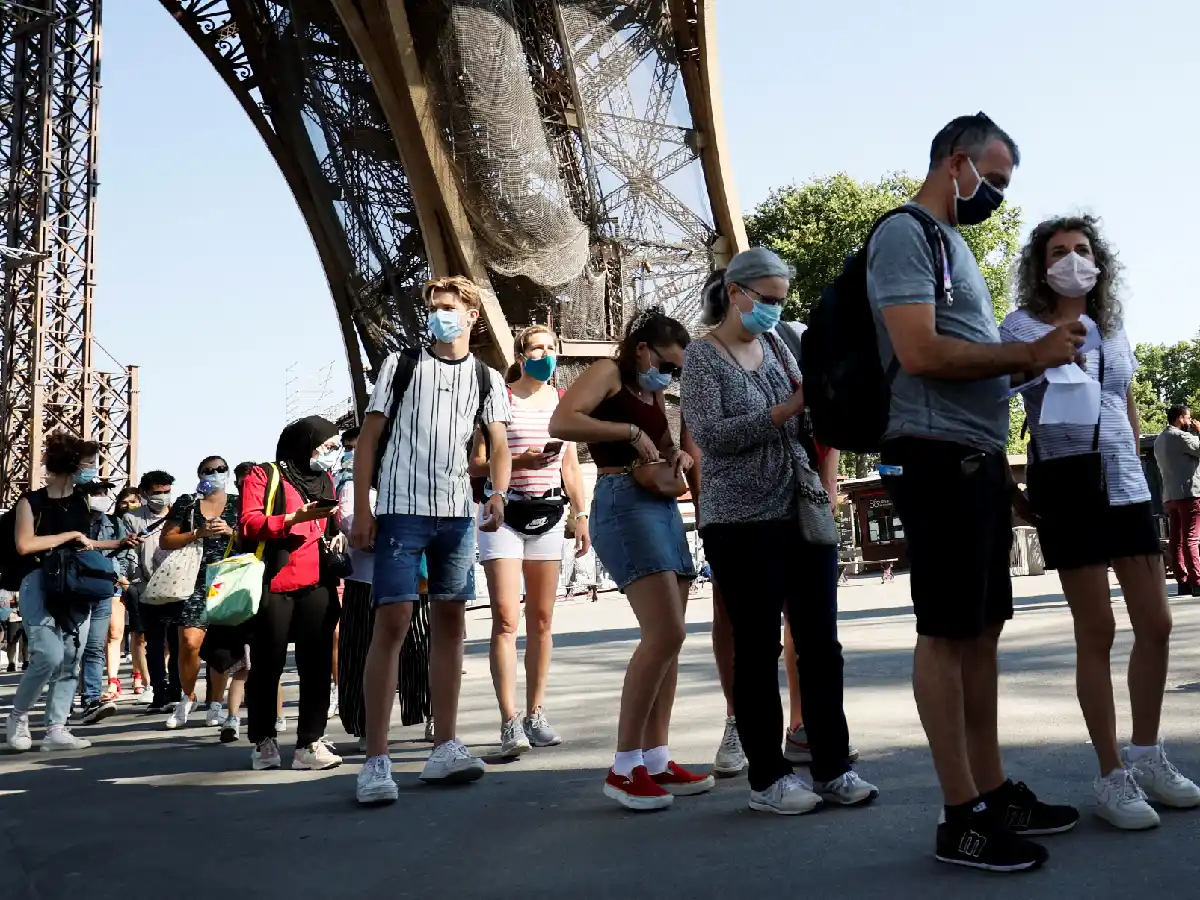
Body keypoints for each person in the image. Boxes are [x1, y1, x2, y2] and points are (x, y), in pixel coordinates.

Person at [869, 113, 1080, 871]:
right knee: (948, 631)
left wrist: (1031, 364)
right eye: (992, 179)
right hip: (934, 455)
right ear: (957, 162)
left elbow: (963, 353)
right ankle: (959, 814)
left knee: (982, 629)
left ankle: (988, 791)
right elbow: (920, 351)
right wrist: (1026, 350)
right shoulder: (907, 234)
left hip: (974, 455)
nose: (994, 194)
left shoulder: (951, 242)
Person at [1002, 216, 1200, 829]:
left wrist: (1142, 460)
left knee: (1158, 622)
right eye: (1058, 251)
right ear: (1040, 266)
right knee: (1098, 629)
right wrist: (1040, 355)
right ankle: (1111, 774)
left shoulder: (1112, 330)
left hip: (1127, 484)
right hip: (1069, 484)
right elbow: (1000, 389)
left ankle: (1147, 754)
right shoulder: (1022, 326)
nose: (1071, 259)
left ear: (1099, 262)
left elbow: (1126, 400)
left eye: (1082, 250)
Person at [682, 248, 877, 815]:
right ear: (736, 292)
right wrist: (785, 410)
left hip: (799, 510)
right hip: (739, 520)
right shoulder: (702, 356)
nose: (773, 309)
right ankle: (767, 779)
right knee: (758, 647)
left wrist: (828, 403)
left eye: (780, 301)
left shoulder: (777, 348)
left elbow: (809, 418)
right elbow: (711, 438)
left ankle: (832, 764)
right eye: (765, 299)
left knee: (820, 645)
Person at [351, 275, 512, 804]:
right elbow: (370, 439)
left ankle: (445, 743)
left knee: (451, 622)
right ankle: (376, 758)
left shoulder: (486, 377)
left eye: (449, 307)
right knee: (393, 621)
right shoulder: (401, 365)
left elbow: (499, 442)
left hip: (455, 514)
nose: (440, 315)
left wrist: (497, 492)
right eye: (435, 307)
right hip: (401, 508)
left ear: (472, 315)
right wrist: (362, 509)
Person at [549, 306, 712, 811]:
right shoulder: (609, 372)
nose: (668, 374)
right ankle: (624, 766)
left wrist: (677, 455)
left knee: (670, 641)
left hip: (659, 504)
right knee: (665, 633)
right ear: (641, 347)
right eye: (665, 362)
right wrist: (626, 434)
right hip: (623, 501)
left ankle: (656, 757)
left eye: (676, 369)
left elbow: (661, 444)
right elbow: (562, 421)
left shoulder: (652, 387)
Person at [473, 324, 590, 756]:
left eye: (551, 348)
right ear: (521, 356)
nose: (546, 354)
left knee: (542, 619)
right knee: (506, 618)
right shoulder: (499, 399)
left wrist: (581, 514)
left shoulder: (559, 401)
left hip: (548, 512)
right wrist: (520, 459)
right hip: (502, 513)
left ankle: (535, 712)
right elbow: (476, 464)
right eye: (537, 348)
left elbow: (571, 466)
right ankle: (508, 720)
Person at [4, 432, 117, 752]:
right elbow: (25, 544)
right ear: (69, 466)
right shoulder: (30, 502)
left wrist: (116, 544)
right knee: (48, 654)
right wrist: (67, 535)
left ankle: (56, 727)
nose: (92, 469)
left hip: (75, 581)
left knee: (71, 656)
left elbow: (86, 543)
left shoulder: (83, 500)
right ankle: (19, 716)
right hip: (38, 579)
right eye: (87, 464)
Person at [241, 416, 342, 771]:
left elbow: (328, 524)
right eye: (325, 445)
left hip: (317, 582)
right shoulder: (264, 475)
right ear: (304, 443)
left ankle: (309, 743)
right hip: (275, 584)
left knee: (315, 666)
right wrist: (290, 520)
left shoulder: (325, 478)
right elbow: (250, 523)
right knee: (268, 665)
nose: (331, 451)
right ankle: (263, 740)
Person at [335, 428, 434, 748]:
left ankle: (432, 714)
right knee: (361, 652)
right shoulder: (354, 484)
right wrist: (386, 537)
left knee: (420, 649)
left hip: (411, 577)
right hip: (365, 580)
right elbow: (349, 522)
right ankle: (367, 726)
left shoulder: (414, 480)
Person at [156, 457, 238, 731]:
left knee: (221, 647)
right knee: (190, 642)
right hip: (193, 580)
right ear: (199, 474)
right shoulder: (187, 503)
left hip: (229, 579)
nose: (214, 474)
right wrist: (197, 532)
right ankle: (187, 697)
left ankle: (215, 702)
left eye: (220, 470)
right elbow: (166, 540)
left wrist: (230, 531)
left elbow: (253, 537)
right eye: (208, 470)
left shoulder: (239, 503)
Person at [77, 482, 137, 725]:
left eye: (103, 493)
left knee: (94, 647)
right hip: (75, 590)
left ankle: (91, 699)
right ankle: (64, 701)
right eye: (94, 493)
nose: (100, 497)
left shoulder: (114, 523)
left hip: (104, 588)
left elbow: (124, 554)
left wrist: (115, 575)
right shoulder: (71, 522)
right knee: (71, 649)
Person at [123, 470, 176, 709]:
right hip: (147, 586)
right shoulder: (131, 519)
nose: (162, 497)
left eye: (166, 492)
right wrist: (134, 580)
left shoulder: (179, 515)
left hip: (177, 585)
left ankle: (177, 689)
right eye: (157, 492)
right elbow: (128, 554)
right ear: (144, 493)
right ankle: (158, 691)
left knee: (176, 642)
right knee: (153, 642)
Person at [1154, 405, 1200, 597]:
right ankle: (1197, 581)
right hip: (1189, 493)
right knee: (1191, 538)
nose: (1190, 421)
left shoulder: (1159, 439)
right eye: (1188, 418)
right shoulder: (1181, 437)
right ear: (1180, 418)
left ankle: (1182, 581)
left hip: (1170, 495)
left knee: (1177, 539)